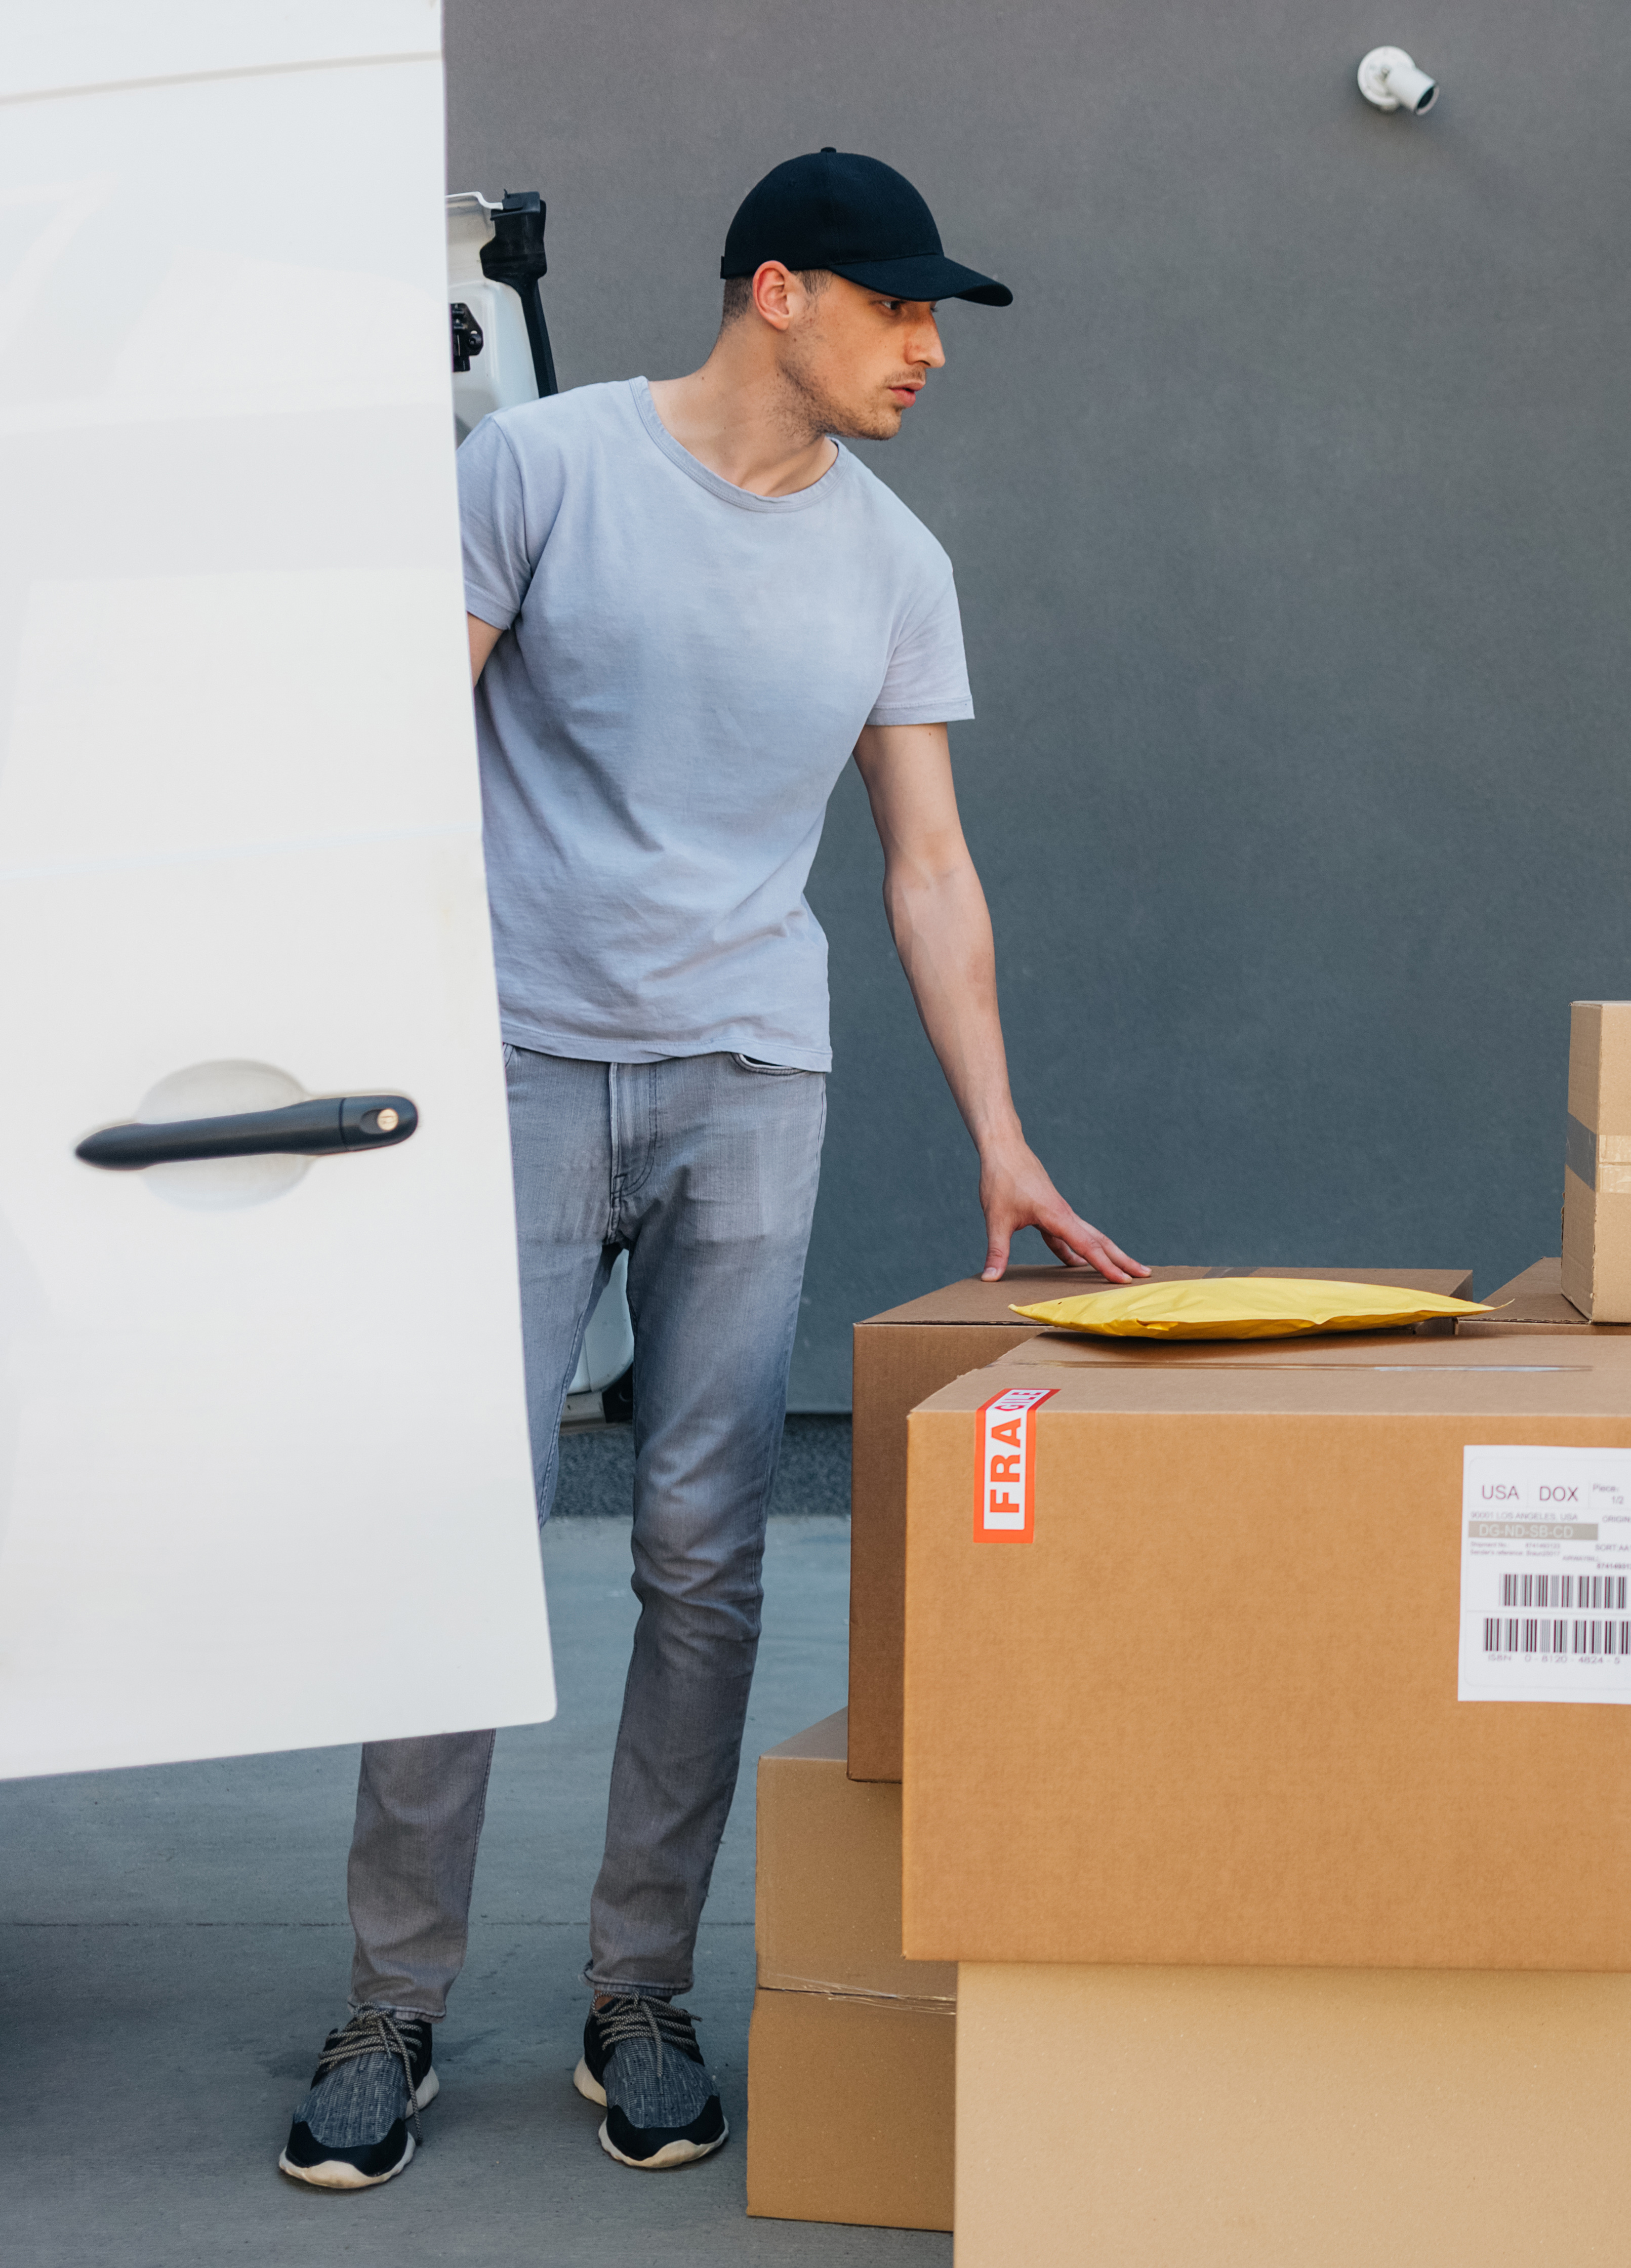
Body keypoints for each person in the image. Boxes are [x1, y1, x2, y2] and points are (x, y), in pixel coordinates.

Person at [278, 148, 1142, 2192]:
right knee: (456, 1532)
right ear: (779, 290)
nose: (931, 346)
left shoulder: (894, 563)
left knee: (707, 1551)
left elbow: (929, 869)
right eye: (899, 306)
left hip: (755, 1075)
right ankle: (390, 2004)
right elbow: (396, 757)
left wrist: (1000, 1134)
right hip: (515, 1062)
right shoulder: (548, 473)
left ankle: (637, 1989)